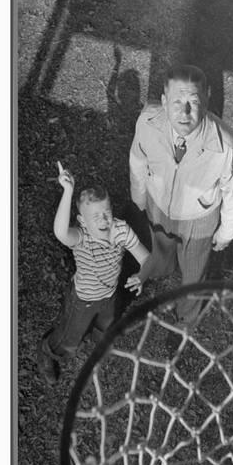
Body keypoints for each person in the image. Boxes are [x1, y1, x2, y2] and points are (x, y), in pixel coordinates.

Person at [129, 64, 233, 323]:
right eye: (176, 101)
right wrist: (138, 194)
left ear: (207, 98)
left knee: (193, 275)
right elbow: (138, 159)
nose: (184, 112)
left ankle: (186, 320)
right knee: (161, 247)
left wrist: (227, 232)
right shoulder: (148, 122)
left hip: (199, 219)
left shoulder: (226, 144)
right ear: (163, 101)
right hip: (158, 204)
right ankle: (163, 266)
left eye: (193, 101)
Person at [37, 162, 149, 384]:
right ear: (82, 221)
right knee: (69, 339)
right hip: (83, 300)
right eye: (95, 215)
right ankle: (47, 352)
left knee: (105, 325)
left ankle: (98, 341)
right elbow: (60, 233)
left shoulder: (121, 230)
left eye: (106, 212)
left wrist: (142, 275)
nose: (103, 219)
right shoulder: (81, 237)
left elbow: (145, 257)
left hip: (109, 295)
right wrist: (68, 192)